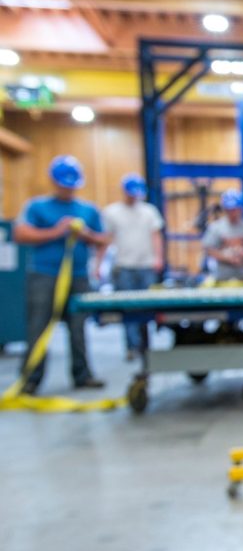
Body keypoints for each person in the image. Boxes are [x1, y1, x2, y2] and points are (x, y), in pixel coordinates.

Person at [13, 155, 110, 394]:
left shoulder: (88, 210)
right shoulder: (37, 207)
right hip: (43, 276)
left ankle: (82, 375)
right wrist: (57, 231)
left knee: (78, 328)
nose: (68, 189)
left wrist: (85, 234)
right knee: (38, 327)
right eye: (64, 184)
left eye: (72, 185)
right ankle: (30, 379)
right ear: (54, 182)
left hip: (78, 276)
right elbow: (20, 234)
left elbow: (103, 239)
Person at [99, 173, 164, 360]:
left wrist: (158, 258)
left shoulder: (149, 212)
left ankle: (145, 346)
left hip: (146, 266)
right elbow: (105, 239)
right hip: (123, 267)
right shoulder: (112, 212)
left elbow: (156, 236)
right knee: (127, 310)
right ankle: (131, 347)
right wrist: (99, 265)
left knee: (146, 310)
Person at [202, 190, 243, 281]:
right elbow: (208, 249)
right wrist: (226, 257)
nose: (232, 213)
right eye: (229, 210)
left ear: (240, 209)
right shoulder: (216, 228)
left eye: (235, 209)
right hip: (222, 278)